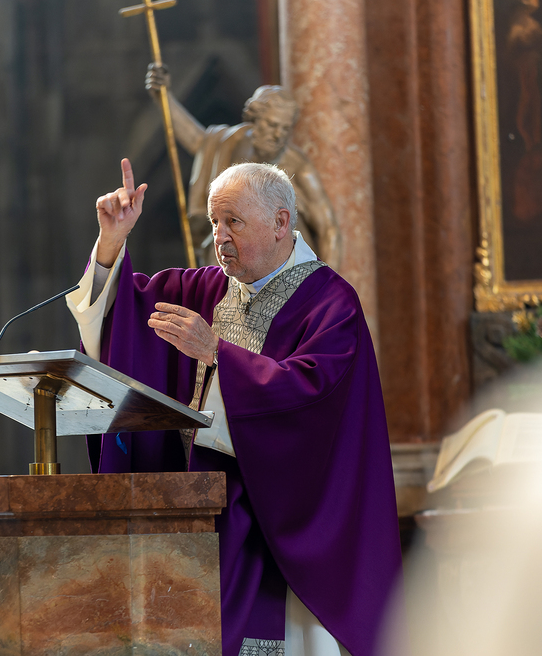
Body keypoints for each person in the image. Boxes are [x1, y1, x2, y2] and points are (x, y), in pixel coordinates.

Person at [67, 158, 400, 656]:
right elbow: (124, 320)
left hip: (277, 529)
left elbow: (311, 403)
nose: (219, 237)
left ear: (281, 223)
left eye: (233, 222)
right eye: (214, 222)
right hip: (197, 519)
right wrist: (112, 241)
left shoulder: (331, 304)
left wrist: (218, 354)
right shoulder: (203, 291)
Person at [145, 65, 341, 269]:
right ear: (254, 120)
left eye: (285, 129)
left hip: (282, 265)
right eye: (272, 125)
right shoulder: (228, 143)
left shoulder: (298, 167)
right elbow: (195, 139)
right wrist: (164, 97)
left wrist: (328, 282)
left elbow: (329, 229)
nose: (278, 135)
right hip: (234, 256)